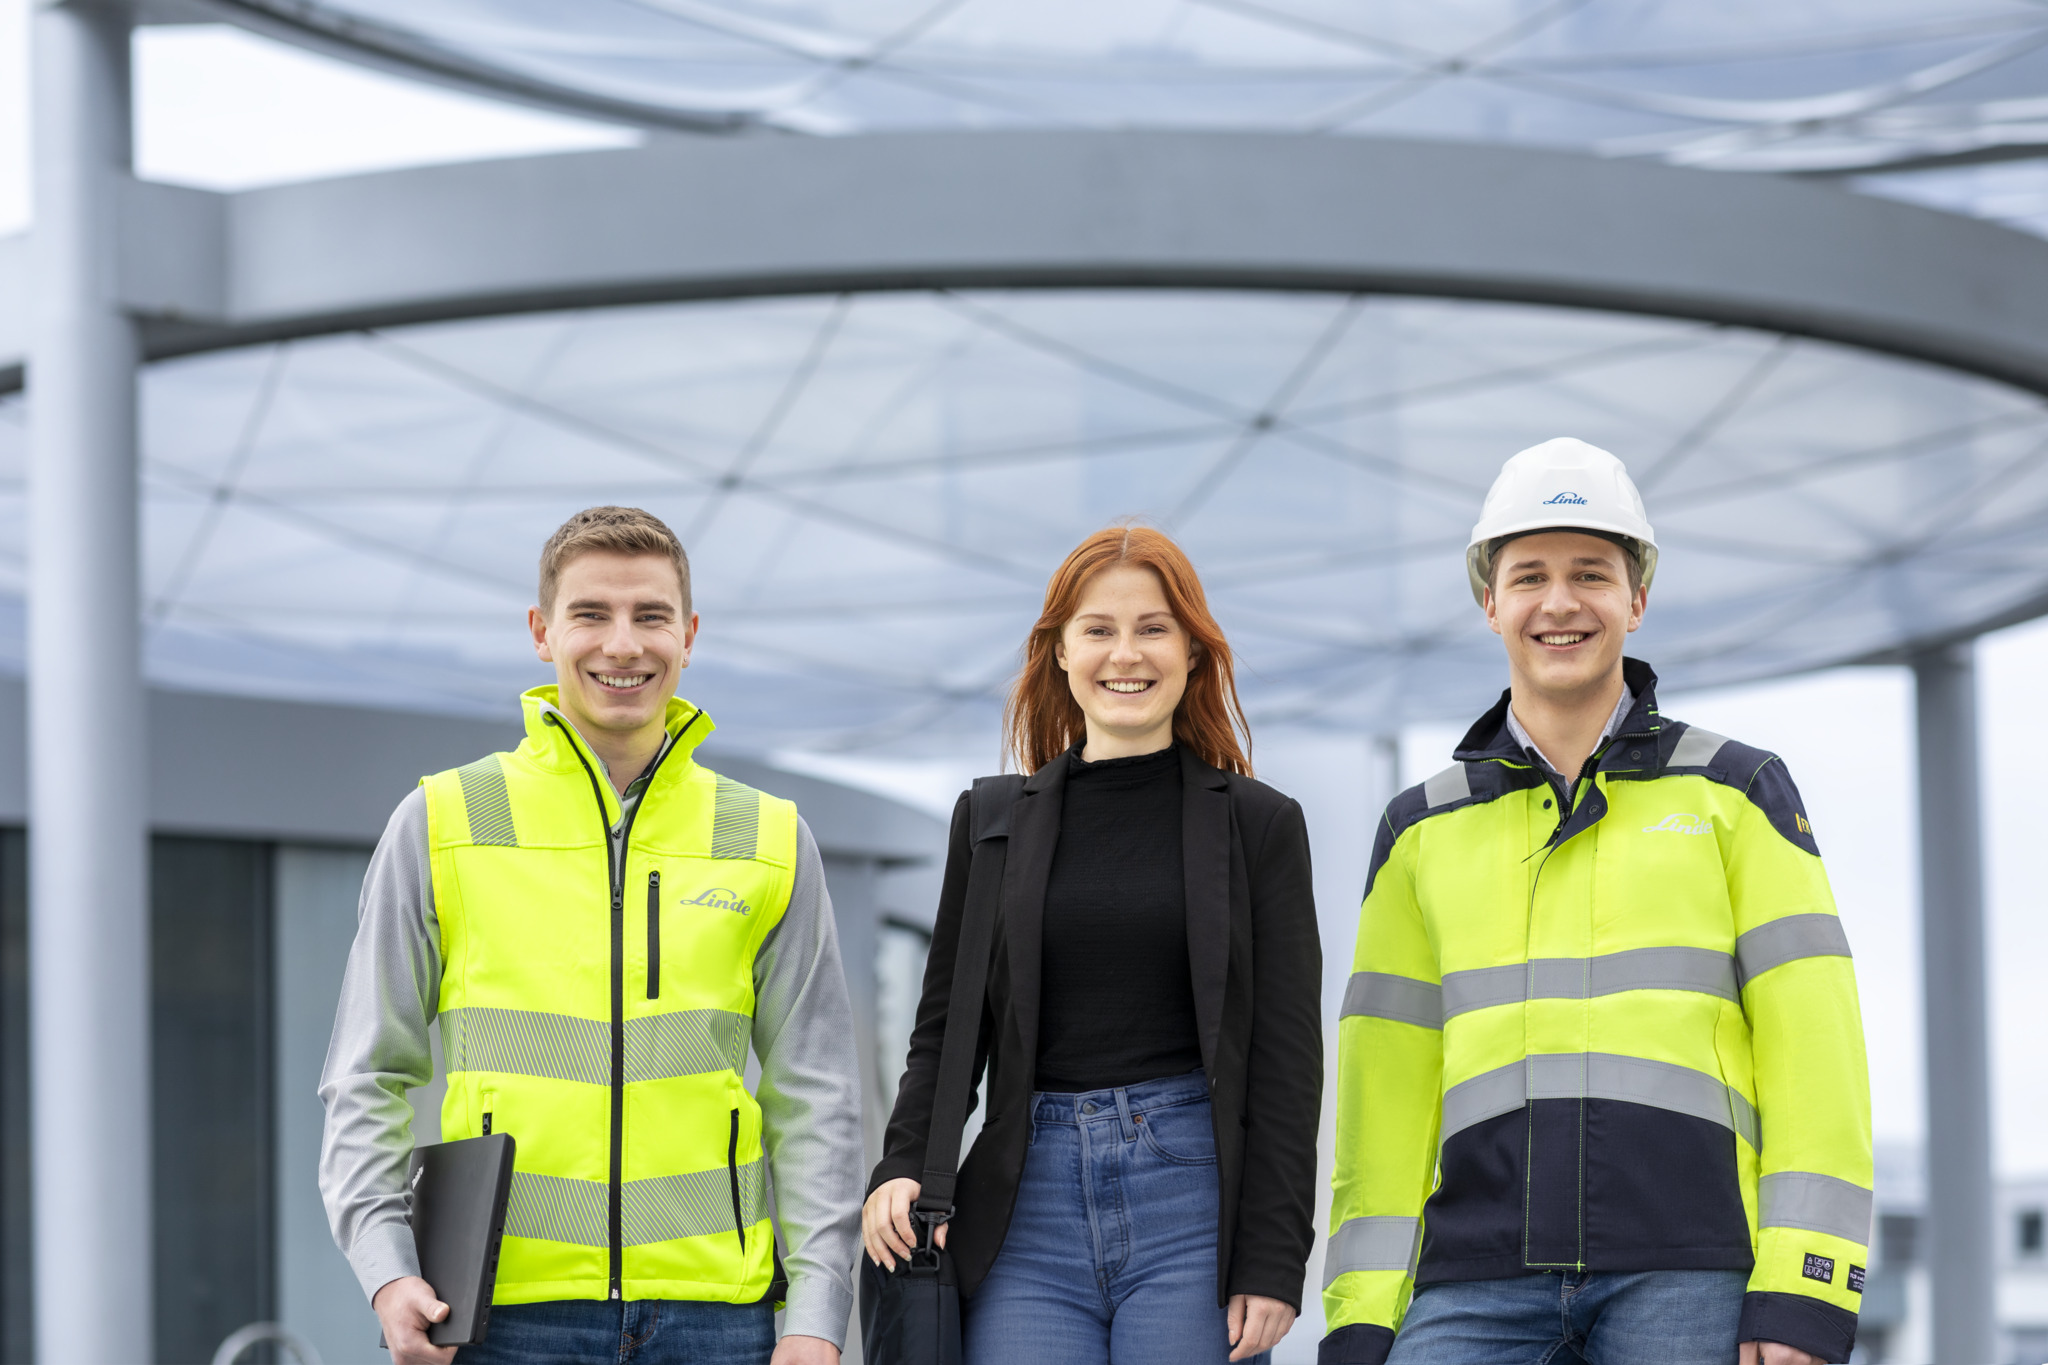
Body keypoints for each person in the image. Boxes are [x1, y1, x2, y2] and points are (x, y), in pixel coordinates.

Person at [1320, 439, 1873, 1365]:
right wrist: (1364, 1313)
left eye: (1592, 572)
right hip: (1468, 1279)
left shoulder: (1737, 793)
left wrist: (1806, 1288)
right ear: (1490, 602)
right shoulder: (1418, 829)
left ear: (1636, 598)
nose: (1561, 602)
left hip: (1689, 1273)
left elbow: (1815, 1053)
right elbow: (1386, 1096)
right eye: (1529, 575)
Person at [318, 506, 864, 1365]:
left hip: (719, 1320)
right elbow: (366, 1072)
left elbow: (819, 1095)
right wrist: (388, 1271)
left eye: (650, 615)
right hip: (498, 1313)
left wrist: (818, 1311)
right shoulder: (441, 821)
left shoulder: (768, 835)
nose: (623, 644)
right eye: (590, 614)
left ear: (689, 635)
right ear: (541, 631)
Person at [862, 525, 1323, 1365]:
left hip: (1191, 1202)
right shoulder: (991, 821)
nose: (1126, 654)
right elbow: (946, 1029)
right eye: (1098, 629)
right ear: (1061, 652)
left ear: (1192, 650)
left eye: (1153, 627)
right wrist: (901, 1165)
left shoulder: (1260, 824)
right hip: (1023, 1206)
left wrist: (1273, 1256)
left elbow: (1288, 1061)